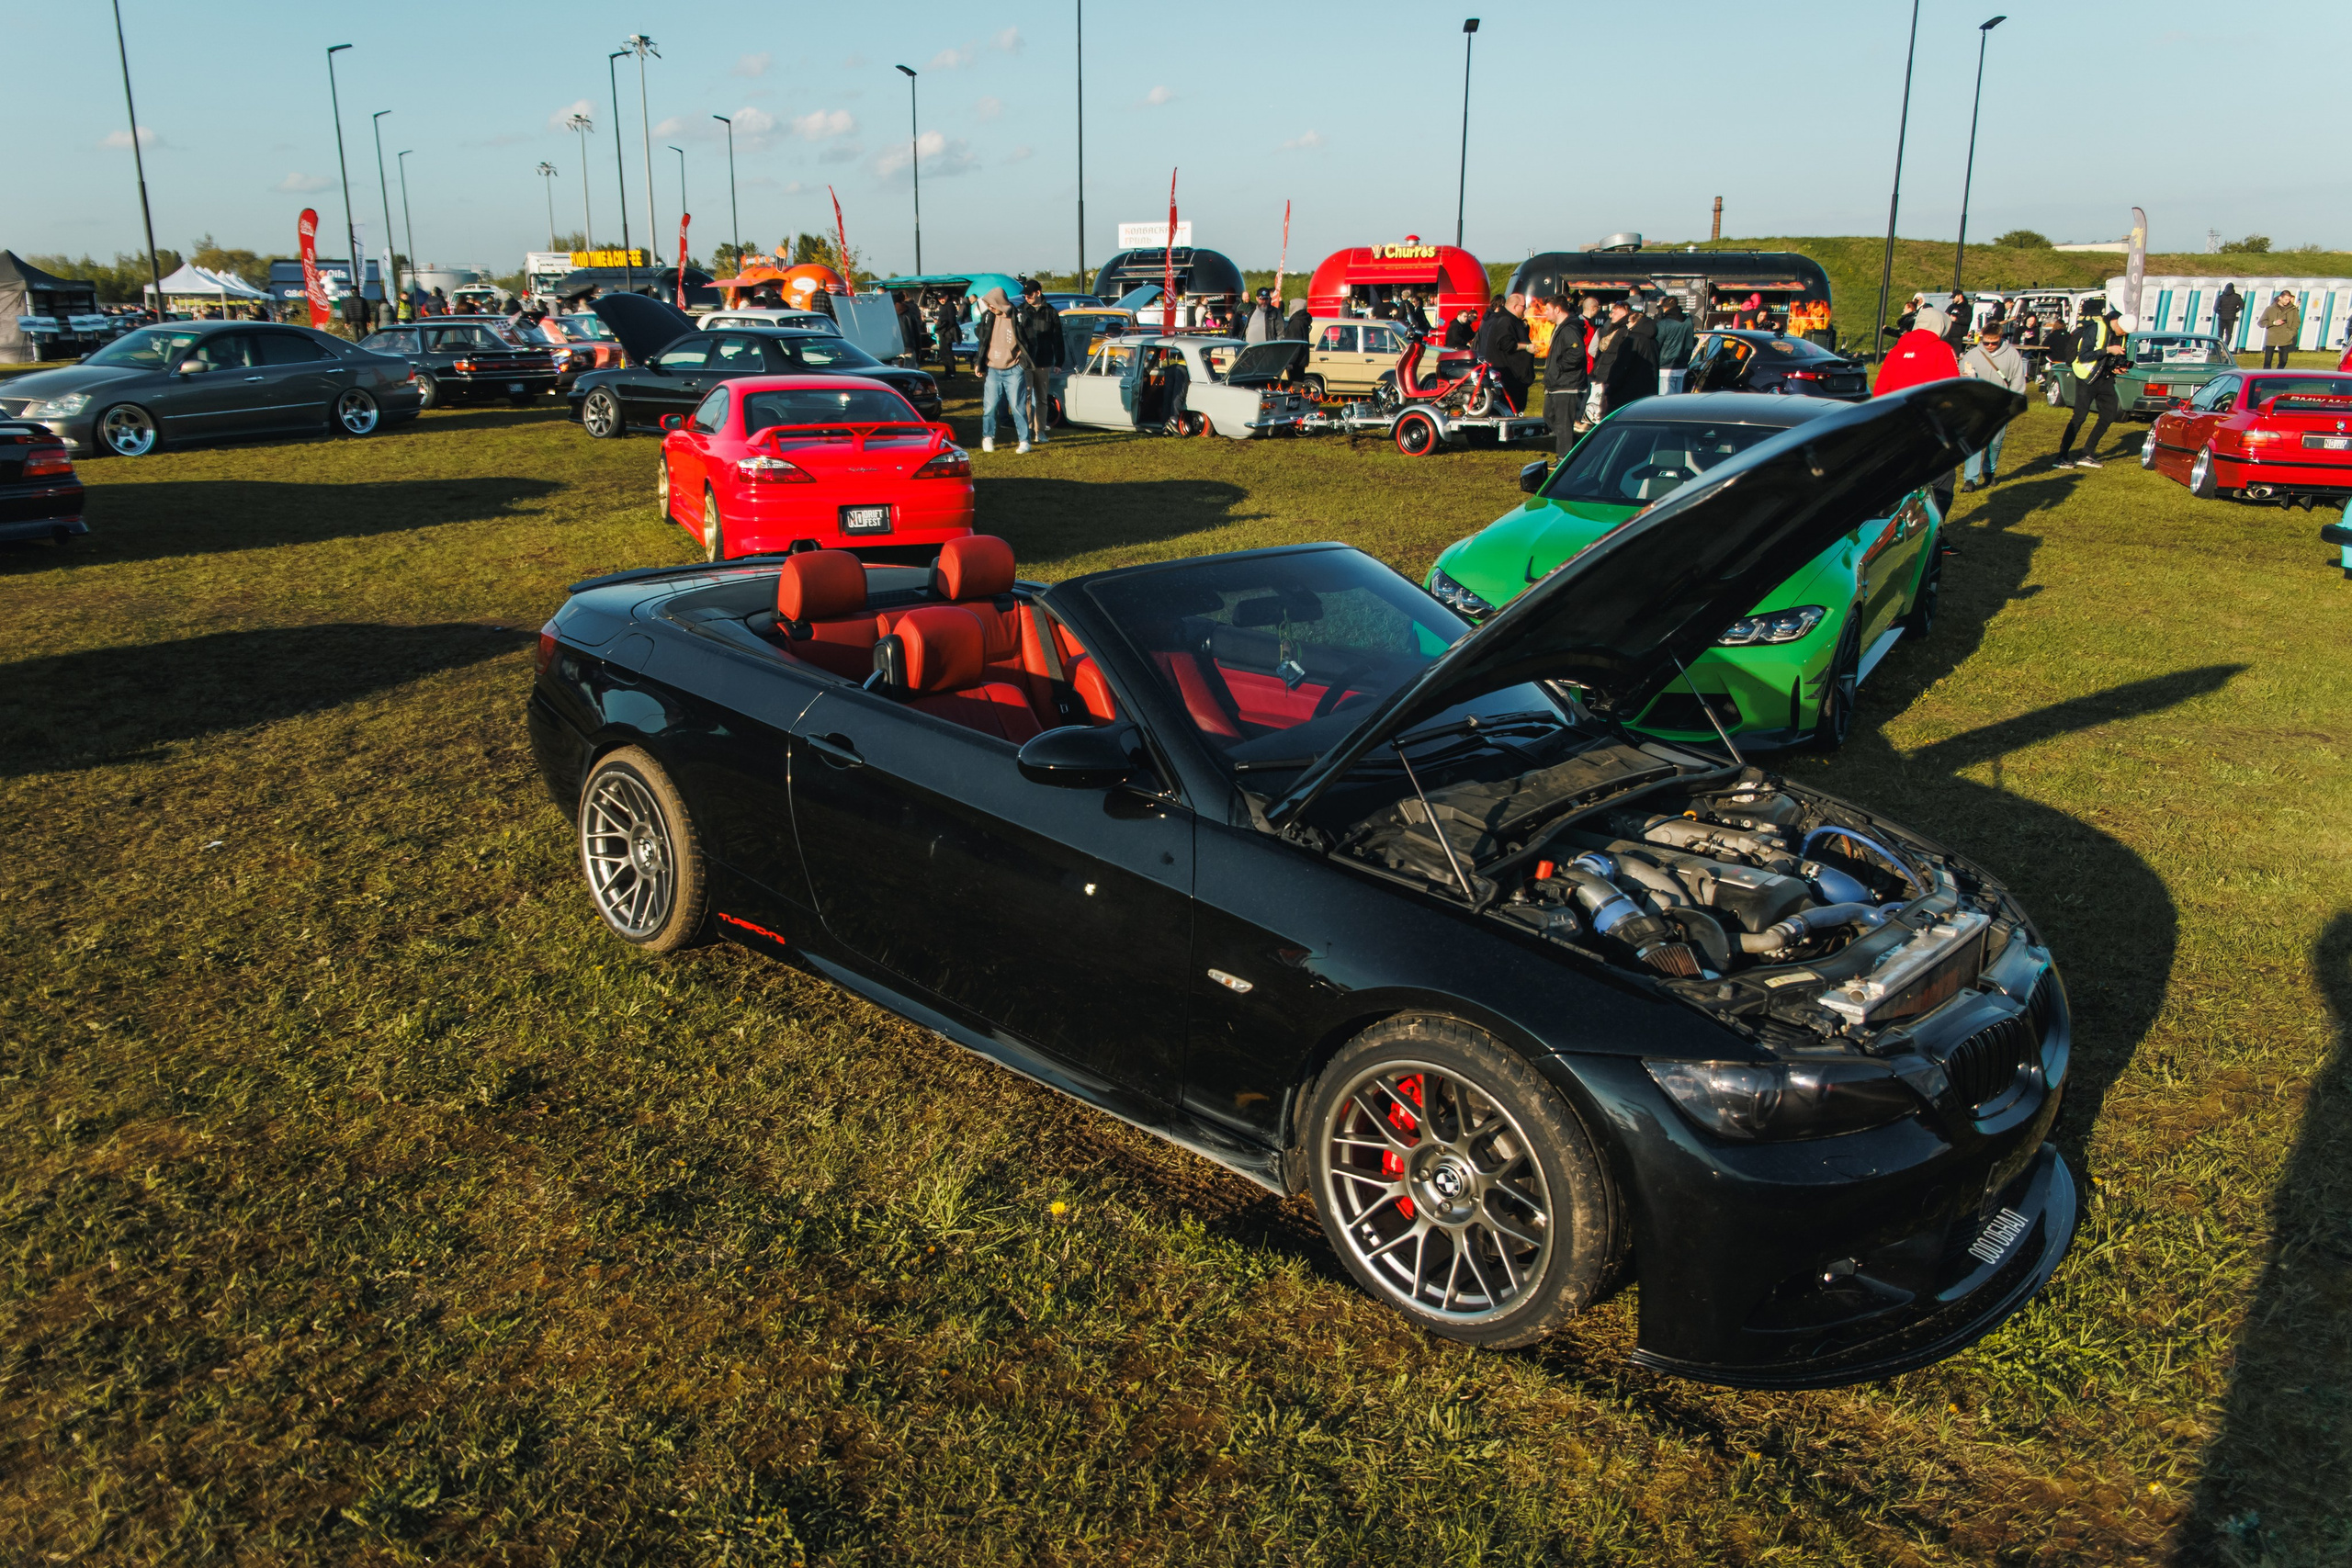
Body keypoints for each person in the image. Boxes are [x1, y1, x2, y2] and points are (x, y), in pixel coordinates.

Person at [2054, 307, 2128, 468]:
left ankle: (2087, 453)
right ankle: (2061, 456)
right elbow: (2084, 356)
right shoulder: (2095, 329)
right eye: (2122, 331)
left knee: (2109, 415)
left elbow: (2114, 357)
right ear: (2116, 323)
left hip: (2105, 378)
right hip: (2086, 378)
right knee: (2080, 417)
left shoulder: (2122, 334)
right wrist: (2107, 350)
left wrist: (2116, 367)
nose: (2123, 335)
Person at [1959, 326, 2029, 489]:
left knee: (1995, 442)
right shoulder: (1972, 355)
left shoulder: (2012, 355)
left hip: (2001, 407)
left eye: (1994, 343)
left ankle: (1989, 471)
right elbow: (1961, 379)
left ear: (2000, 338)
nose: (1989, 346)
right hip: (1976, 406)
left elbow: (2017, 381)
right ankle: (1970, 479)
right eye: (1986, 342)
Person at [970, 287, 1031, 454]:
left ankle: (1024, 441)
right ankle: (987, 437)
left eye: (992, 304)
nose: (990, 308)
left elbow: (1029, 340)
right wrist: (979, 362)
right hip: (992, 369)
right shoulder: (988, 316)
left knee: (1018, 407)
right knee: (989, 407)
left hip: (1014, 368)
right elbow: (983, 342)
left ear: (1000, 302)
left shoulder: (1019, 317)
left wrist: (1023, 363)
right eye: (988, 305)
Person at [1873, 302, 1962, 395]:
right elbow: (1952, 386)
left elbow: (1880, 390)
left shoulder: (1897, 350)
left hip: (1899, 402)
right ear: (1941, 326)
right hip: (1927, 402)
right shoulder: (1943, 349)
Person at [1537, 295, 1587, 453]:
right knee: (1549, 416)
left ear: (1557, 310)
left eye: (1548, 309)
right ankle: (1579, 449)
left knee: (1563, 422)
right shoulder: (1559, 328)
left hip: (1567, 384)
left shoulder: (1569, 329)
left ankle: (1564, 457)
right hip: (1555, 383)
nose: (1545, 313)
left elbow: (1577, 353)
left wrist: (1559, 367)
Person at [1017, 278, 1063, 445]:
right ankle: (1028, 431)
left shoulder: (1051, 312)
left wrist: (1059, 362)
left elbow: (1058, 338)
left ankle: (1040, 431)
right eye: (1024, 295)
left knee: (1042, 398)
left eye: (1029, 295)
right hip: (1025, 361)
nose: (1026, 298)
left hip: (1044, 361)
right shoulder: (1020, 311)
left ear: (1038, 293)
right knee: (1027, 397)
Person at [1472, 293, 1533, 412]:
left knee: (1515, 409)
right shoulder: (1505, 320)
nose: (1525, 309)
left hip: (1514, 377)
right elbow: (1506, 344)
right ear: (1515, 306)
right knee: (1509, 410)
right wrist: (1526, 347)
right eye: (1524, 306)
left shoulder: (1511, 320)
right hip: (1509, 378)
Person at [1655, 298, 1694, 394]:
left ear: (1664, 308)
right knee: (1677, 398)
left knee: (1665, 398)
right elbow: (1690, 343)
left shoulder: (1663, 323)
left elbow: (1656, 345)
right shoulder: (1688, 321)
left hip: (1665, 366)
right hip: (1682, 366)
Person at [2258, 289, 2301, 369]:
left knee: (2284, 360)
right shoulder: (2270, 309)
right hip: (2271, 337)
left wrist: (2292, 333)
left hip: (2286, 336)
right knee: (2268, 361)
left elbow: (2297, 322)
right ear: (2280, 298)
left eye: (2289, 300)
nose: (2288, 301)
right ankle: (2266, 375)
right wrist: (2273, 323)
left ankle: (2278, 373)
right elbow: (2261, 323)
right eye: (2286, 299)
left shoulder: (2293, 309)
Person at [932, 291, 962, 380]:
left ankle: (951, 373)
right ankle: (948, 372)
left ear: (947, 296)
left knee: (947, 353)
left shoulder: (950, 305)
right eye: (939, 299)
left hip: (947, 332)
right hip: (943, 331)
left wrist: (943, 327)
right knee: (943, 353)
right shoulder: (943, 306)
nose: (941, 300)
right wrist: (939, 323)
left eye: (943, 298)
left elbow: (951, 320)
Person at [2213, 282, 2243, 350]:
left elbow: (2215, 308)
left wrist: (2220, 313)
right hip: (2231, 318)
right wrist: (2235, 311)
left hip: (2221, 318)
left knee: (2220, 334)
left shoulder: (2221, 297)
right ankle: (2225, 347)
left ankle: (2219, 347)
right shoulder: (2237, 297)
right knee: (2228, 334)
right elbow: (2242, 306)